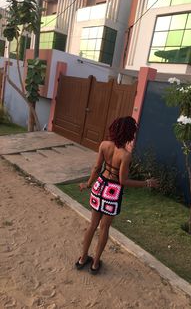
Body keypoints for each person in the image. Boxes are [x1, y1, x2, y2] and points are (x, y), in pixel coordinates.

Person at [76, 116, 158, 274]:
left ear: (114, 129)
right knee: (104, 228)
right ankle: (95, 264)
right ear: (129, 133)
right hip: (112, 193)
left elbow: (96, 167)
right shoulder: (125, 155)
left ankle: (82, 258)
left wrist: (87, 184)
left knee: (92, 225)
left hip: (99, 186)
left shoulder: (104, 145)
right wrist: (147, 183)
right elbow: (123, 180)